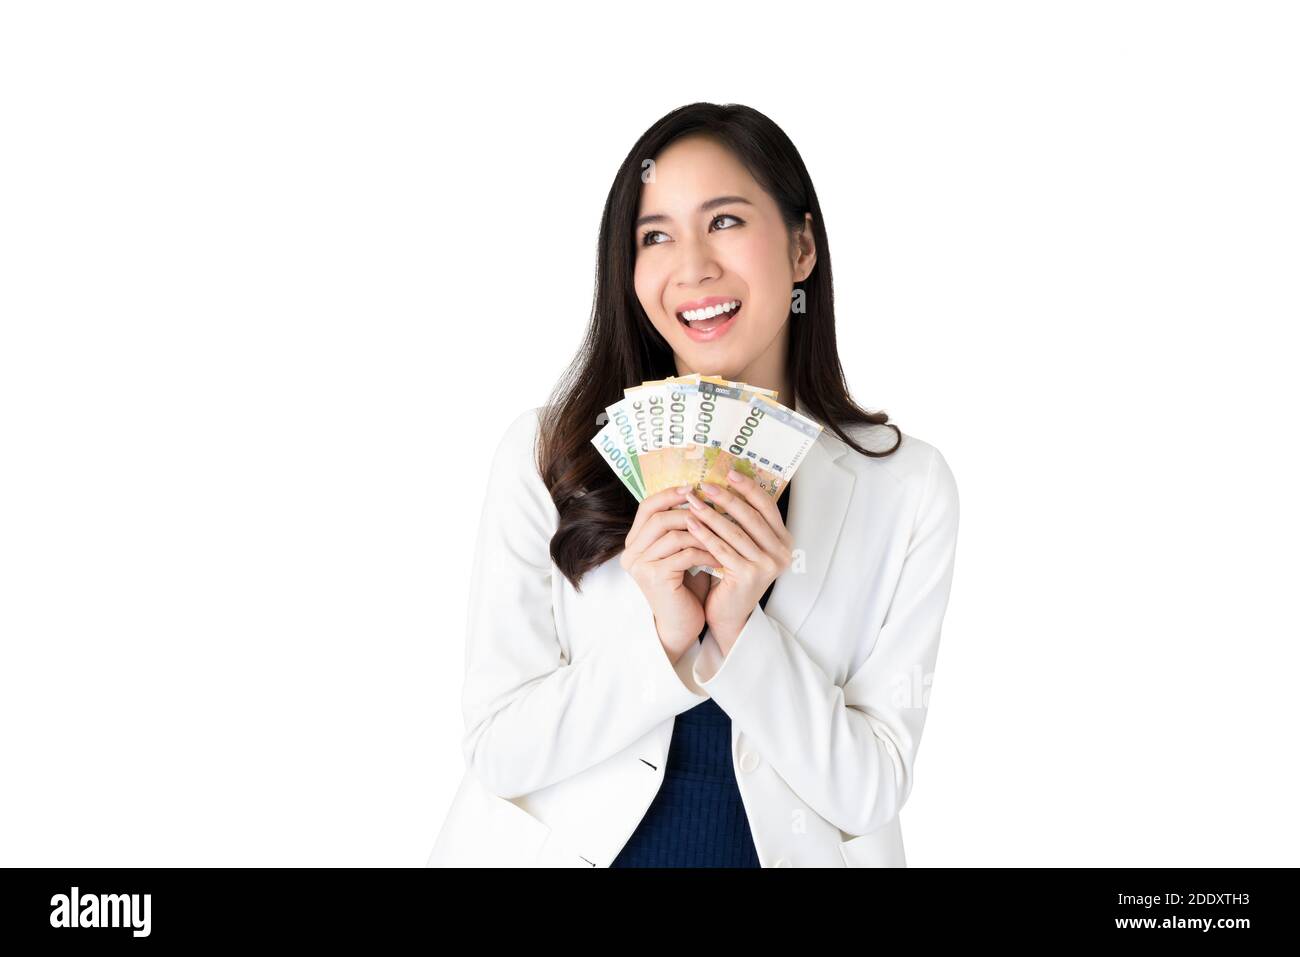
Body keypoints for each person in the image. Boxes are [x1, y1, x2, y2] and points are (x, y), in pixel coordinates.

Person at [427, 102, 960, 868]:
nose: (693, 266)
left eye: (726, 222)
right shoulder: (548, 456)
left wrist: (743, 633)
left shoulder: (907, 487)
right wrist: (667, 637)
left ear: (803, 247)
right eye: (655, 235)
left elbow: (870, 788)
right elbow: (498, 748)